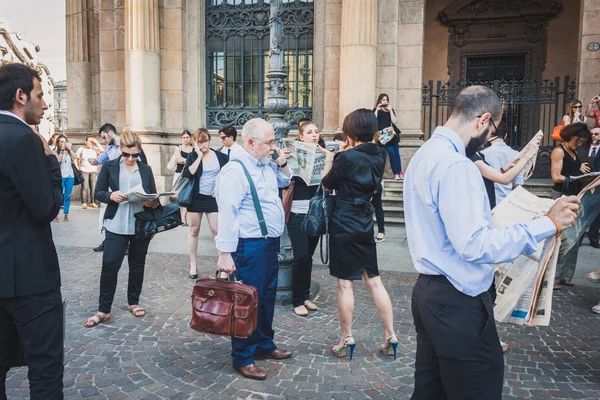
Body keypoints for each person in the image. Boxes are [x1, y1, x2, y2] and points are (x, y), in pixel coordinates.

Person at [404, 85, 580, 399]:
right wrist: (548, 224)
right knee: (477, 387)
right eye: (492, 131)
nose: (488, 140)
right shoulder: (457, 165)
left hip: (430, 293)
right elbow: (475, 246)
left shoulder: (425, 153)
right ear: (483, 120)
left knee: (431, 390)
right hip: (457, 300)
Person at [0, 62, 64, 399]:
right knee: (45, 370)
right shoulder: (24, 139)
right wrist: (51, 161)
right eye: (40, 95)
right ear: (21, 95)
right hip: (29, 278)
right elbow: (45, 208)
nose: (46, 103)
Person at [215, 118, 293, 380]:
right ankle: (242, 356)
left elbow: (285, 183)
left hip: (269, 243)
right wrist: (225, 253)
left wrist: (281, 163)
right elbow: (227, 212)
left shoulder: (264, 164)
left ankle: (263, 343)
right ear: (250, 142)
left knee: (266, 297)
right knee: (246, 303)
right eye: (269, 142)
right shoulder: (235, 171)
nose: (274, 147)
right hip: (249, 246)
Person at [321, 109, 399, 361]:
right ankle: (391, 335)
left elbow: (327, 183)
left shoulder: (346, 157)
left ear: (350, 131)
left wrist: (334, 158)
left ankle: (346, 337)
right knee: (373, 279)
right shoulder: (380, 155)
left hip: (344, 219)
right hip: (365, 219)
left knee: (345, 283)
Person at [84, 130, 159, 328]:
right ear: (120, 150)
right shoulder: (110, 167)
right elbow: (98, 193)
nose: (130, 158)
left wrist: (151, 202)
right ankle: (103, 309)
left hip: (139, 224)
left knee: (137, 265)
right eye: (126, 154)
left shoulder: (145, 169)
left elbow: (154, 197)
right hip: (116, 224)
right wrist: (111, 196)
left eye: (134, 154)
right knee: (109, 265)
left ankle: (133, 302)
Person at [285, 121, 324, 316]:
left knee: (308, 257)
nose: (314, 135)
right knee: (300, 256)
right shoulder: (292, 156)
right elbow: (284, 180)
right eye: (309, 132)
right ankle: (296, 300)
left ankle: (305, 296)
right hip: (297, 213)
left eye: (316, 131)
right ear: (301, 136)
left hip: (314, 214)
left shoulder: (323, 155)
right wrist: (283, 162)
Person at [181, 129, 228, 279]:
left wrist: (219, 190)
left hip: (213, 199)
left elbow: (227, 176)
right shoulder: (193, 155)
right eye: (200, 142)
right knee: (194, 230)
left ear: (209, 140)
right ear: (196, 142)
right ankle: (193, 264)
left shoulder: (221, 156)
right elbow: (188, 173)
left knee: (217, 231)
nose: (203, 144)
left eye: (205, 141)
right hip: (195, 198)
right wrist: (199, 156)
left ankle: (222, 265)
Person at [550, 122, 591, 290]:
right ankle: (552, 278)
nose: (581, 144)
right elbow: (556, 176)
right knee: (561, 238)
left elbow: (573, 169)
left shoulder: (573, 152)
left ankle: (565, 276)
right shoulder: (559, 151)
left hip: (574, 196)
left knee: (575, 237)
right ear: (573, 137)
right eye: (580, 141)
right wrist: (573, 178)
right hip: (561, 196)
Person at [479, 122, 527, 205]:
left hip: (488, 201)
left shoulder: (483, 154)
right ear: (505, 136)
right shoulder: (516, 154)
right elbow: (518, 184)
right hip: (507, 201)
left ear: (490, 135)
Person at [577, 126, 600, 248]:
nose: (594, 136)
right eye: (592, 134)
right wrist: (579, 166)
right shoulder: (581, 149)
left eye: (596, 134)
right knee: (582, 212)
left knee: (597, 214)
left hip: (598, 186)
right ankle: (579, 239)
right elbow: (574, 161)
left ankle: (594, 238)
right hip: (584, 184)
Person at [374, 93, 402, 180]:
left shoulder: (390, 110)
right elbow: (373, 121)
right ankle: (395, 173)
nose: (385, 101)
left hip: (392, 134)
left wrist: (390, 110)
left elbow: (394, 121)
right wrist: (377, 110)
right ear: (379, 101)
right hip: (384, 137)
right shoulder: (376, 110)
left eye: (386, 100)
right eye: (383, 100)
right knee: (392, 154)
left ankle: (400, 172)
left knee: (397, 154)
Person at [171, 130, 193, 225]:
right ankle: (177, 216)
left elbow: (193, 161)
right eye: (183, 137)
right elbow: (178, 159)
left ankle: (184, 216)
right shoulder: (178, 148)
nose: (185, 139)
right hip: (178, 174)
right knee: (177, 195)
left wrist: (184, 160)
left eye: (187, 137)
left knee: (186, 195)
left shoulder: (193, 149)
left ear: (190, 138)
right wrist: (188, 160)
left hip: (188, 175)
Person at [55, 134, 78, 222]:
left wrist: (69, 149)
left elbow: (75, 157)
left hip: (70, 176)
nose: (63, 143)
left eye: (65, 141)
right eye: (61, 141)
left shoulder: (69, 151)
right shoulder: (55, 151)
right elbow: (58, 160)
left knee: (67, 196)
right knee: (59, 196)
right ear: (58, 143)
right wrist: (61, 151)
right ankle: (55, 214)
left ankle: (66, 214)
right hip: (60, 177)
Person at [76, 135, 103, 209]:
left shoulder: (95, 149)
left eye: (92, 142)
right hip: (84, 169)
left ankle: (92, 202)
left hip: (93, 170)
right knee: (84, 187)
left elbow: (102, 150)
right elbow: (76, 158)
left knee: (93, 187)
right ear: (85, 142)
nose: (90, 143)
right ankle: (84, 203)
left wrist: (96, 142)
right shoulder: (81, 149)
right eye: (89, 141)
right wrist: (77, 167)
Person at [372, 130, 388, 242]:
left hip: (376, 182)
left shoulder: (380, 150)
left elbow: (380, 170)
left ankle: (381, 231)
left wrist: (376, 185)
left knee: (378, 207)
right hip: (366, 182)